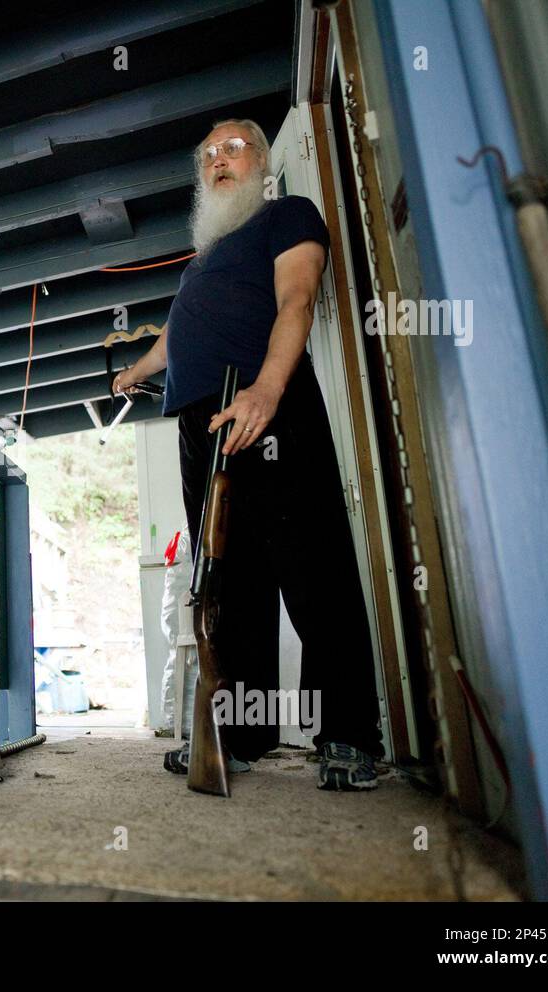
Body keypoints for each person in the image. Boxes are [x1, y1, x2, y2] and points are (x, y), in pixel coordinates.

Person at [114, 119, 384, 791]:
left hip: (265, 401)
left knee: (313, 570)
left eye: (232, 147)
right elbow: (176, 335)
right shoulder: (203, 261)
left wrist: (268, 388)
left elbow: (298, 296)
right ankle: (242, 737)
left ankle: (350, 736)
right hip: (201, 425)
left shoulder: (287, 215)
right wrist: (135, 370)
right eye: (208, 152)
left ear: (262, 163)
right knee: (231, 588)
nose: (217, 159)